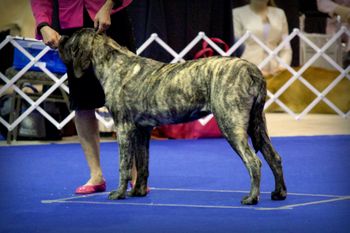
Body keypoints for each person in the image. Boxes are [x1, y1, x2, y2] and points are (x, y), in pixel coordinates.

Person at [30, 0, 138, 194]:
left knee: (126, 100)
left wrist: (108, 5)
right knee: (82, 102)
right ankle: (96, 175)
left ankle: (136, 175)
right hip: (73, 23)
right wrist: (43, 24)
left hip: (112, 17)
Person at [233, 0, 292, 77]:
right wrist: (251, 70)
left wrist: (282, 66)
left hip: (275, 73)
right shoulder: (237, 13)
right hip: (246, 73)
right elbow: (235, 48)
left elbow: (286, 46)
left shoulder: (280, 14)